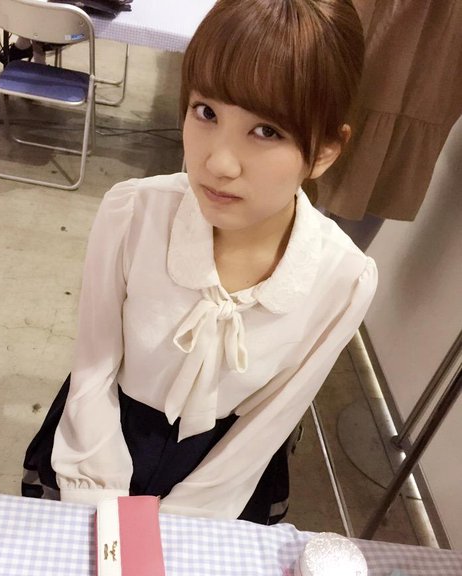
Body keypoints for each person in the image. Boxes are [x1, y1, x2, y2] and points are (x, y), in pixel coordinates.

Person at [23, 0, 378, 524]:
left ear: (325, 150)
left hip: (222, 476)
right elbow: (95, 364)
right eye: (206, 112)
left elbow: (270, 421)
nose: (218, 162)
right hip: (99, 438)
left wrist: (185, 524)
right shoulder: (133, 211)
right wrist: (100, 497)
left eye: (268, 131)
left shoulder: (344, 280)